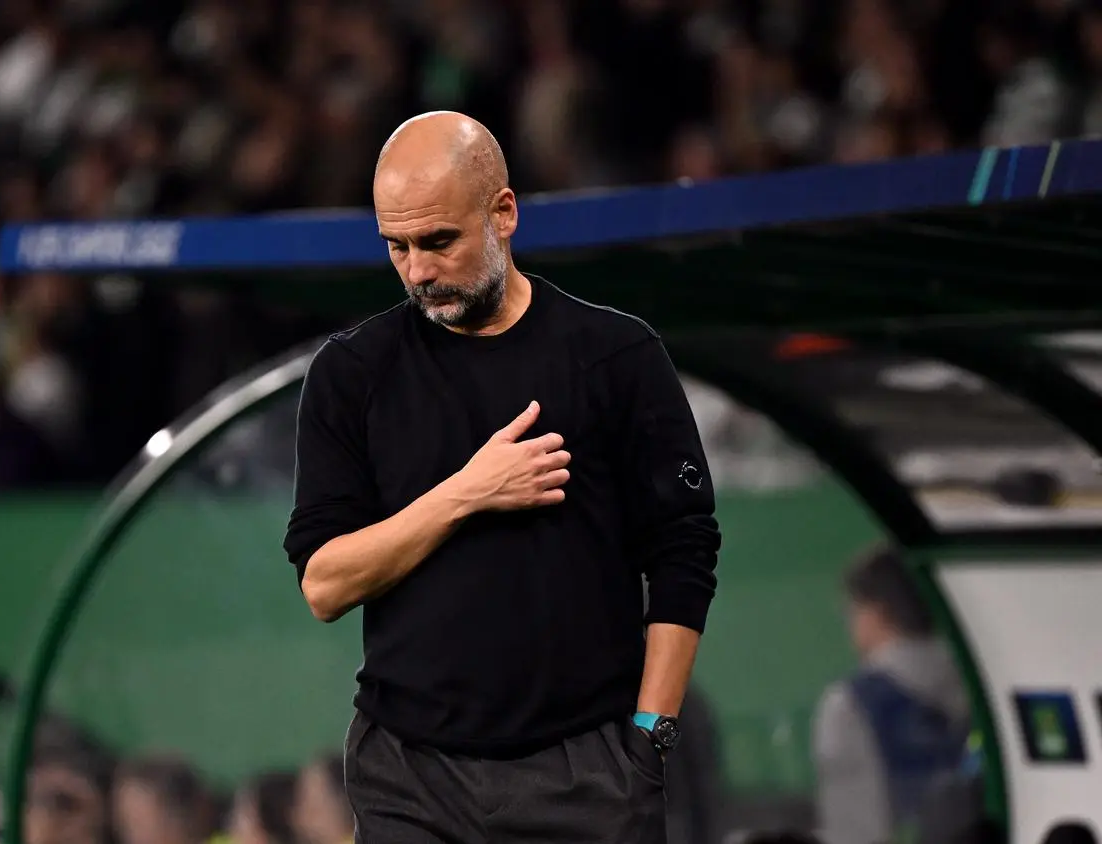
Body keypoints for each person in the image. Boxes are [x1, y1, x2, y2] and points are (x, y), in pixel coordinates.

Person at [283, 110, 721, 843]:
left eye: (439, 241)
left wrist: (650, 739)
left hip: (587, 773)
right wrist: (467, 492)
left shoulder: (616, 356)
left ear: (504, 213)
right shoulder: (352, 375)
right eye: (398, 246)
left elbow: (684, 553)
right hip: (409, 777)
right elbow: (325, 585)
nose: (418, 270)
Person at [812, 544, 971, 844]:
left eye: (852, 610)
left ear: (875, 612)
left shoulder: (850, 705)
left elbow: (854, 827)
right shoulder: (975, 686)